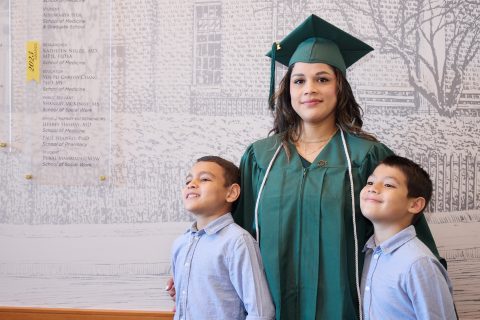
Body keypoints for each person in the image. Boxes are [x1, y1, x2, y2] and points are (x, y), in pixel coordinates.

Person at [232, 14, 444, 319]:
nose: (309, 89)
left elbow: (405, 230)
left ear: (339, 87)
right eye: (299, 80)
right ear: (288, 90)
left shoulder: (367, 156)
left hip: (345, 308)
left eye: (322, 79)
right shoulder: (261, 158)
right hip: (272, 306)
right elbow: (236, 236)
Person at [170, 156, 274, 320]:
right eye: (188, 181)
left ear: (231, 192)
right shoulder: (181, 243)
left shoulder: (238, 242)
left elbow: (260, 313)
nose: (191, 184)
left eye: (204, 179)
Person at [360, 155, 456, 319]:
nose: (373, 188)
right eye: (370, 182)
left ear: (415, 204)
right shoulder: (369, 253)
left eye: (388, 184)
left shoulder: (419, 264)